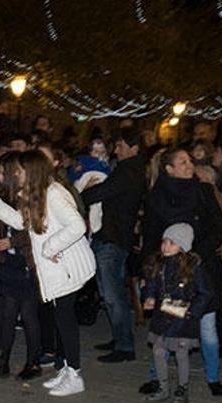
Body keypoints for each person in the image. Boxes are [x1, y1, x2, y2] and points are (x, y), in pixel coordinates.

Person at [0, 150, 96, 397]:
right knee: (62, 320)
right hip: (59, 270)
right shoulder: (37, 194)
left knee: (65, 321)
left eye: (19, 170)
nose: (15, 175)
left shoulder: (53, 194)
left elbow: (77, 226)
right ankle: (66, 369)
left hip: (68, 269)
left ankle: (74, 374)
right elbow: (21, 223)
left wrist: (51, 247)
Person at [140, 148, 222, 396]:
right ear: (169, 169)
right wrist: (148, 270)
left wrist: (195, 254)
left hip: (202, 265)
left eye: (190, 160)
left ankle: (213, 377)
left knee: (208, 327)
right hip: (169, 271)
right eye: (183, 162)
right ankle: (157, 376)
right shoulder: (157, 197)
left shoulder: (203, 189)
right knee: (166, 323)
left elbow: (217, 227)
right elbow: (151, 236)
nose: (190, 165)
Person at [82, 128, 146, 363]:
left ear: (134, 148)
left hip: (113, 236)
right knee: (112, 290)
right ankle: (120, 337)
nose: (115, 150)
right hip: (115, 235)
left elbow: (103, 192)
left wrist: (82, 194)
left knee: (112, 294)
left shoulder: (128, 171)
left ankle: (124, 346)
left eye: (120, 146)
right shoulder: (131, 170)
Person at [0, 153, 43, 382]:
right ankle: (1, 362)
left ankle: (33, 362)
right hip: (8, 262)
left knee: (28, 315)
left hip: (26, 263)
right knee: (6, 315)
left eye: (2, 173)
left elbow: (35, 230)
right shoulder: (8, 196)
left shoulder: (30, 196)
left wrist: (13, 242)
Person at [143, 224, 212, 403]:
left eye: (172, 243)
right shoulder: (158, 265)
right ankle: (163, 386)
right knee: (158, 351)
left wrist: (192, 312)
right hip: (162, 317)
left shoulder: (193, 267)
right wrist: (149, 296)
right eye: (164, 242)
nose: (166, 246)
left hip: (182, 319)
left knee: (181, 353)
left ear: (183, 246)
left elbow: (205, 293)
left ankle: (182, 387)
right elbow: (151, 284)